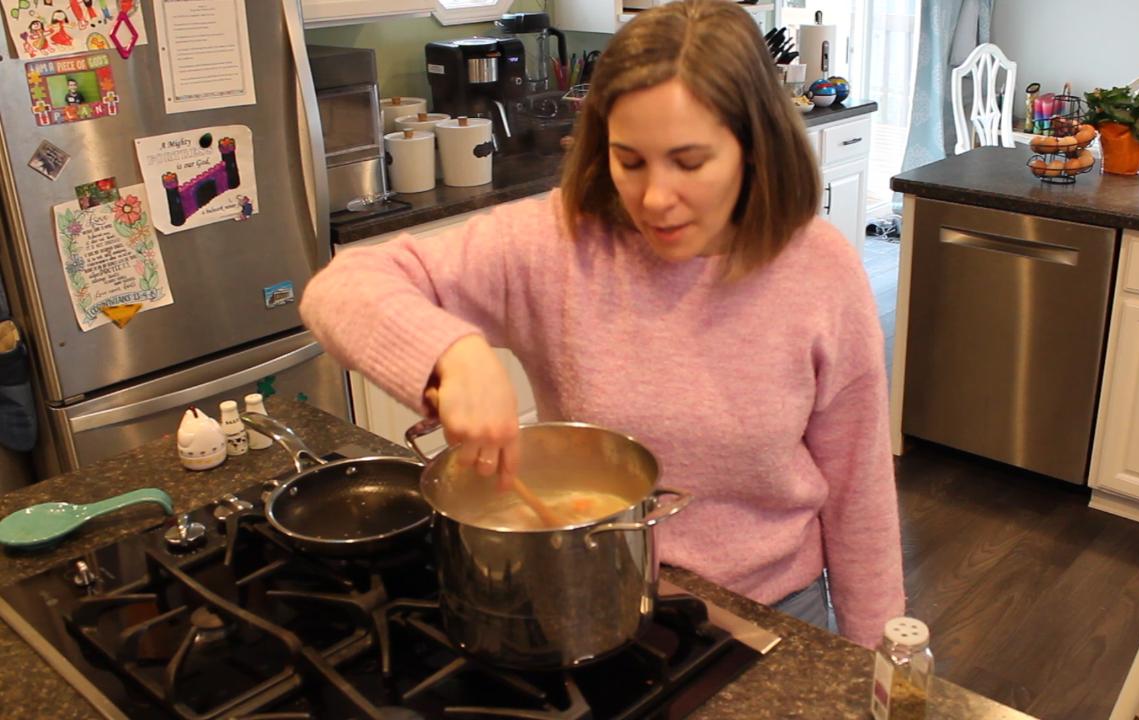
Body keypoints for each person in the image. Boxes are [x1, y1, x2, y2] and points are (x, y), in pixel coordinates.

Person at [300, 0, 904, 648]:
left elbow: (859, 494)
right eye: (630, 160)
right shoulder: (559, 243)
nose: (654, 198)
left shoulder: (818, 270)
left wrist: (879, 667)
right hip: (590, 600)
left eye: (690, 162)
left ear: (753, 148)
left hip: (774, 616)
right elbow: (339, 288)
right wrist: (452, 355)